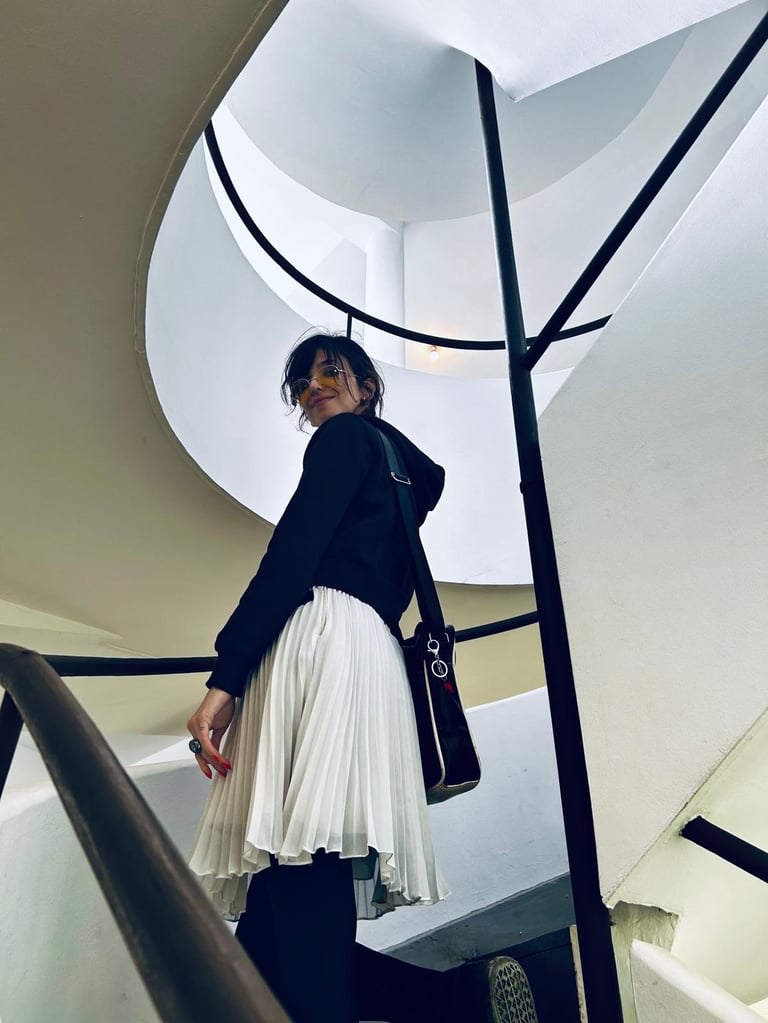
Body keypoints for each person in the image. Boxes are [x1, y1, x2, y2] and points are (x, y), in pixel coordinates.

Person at [186, 331, 537, 1023]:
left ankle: (451, 1001)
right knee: (276, 908)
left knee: (299, 859)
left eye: (330, 372)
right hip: (367, 649)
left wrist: (226, 679)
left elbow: (292, 555)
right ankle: (455, 1001)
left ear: (367, 387)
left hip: (319, 641)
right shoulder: (401, 476)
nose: (313, 388)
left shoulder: (344, 439)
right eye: (302, 383)